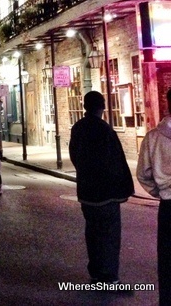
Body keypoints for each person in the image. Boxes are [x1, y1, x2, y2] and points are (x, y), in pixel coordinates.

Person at [69, 91, 134, 285]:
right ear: (102, 106)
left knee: (93, 232)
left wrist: (84, 174)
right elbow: (115, 162)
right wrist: (122, 189)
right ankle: (109, 276)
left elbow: (75, 155)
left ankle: (96, 270)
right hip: (106, 194)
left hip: (86, 191)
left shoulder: (78, 128)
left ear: (85, 106)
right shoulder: (105, 130)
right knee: (110, 236)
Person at [137, 88, 171, 305]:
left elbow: (143, 174)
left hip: (168, 206)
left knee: (168, 260)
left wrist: (160, 191)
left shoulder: (153, 137)